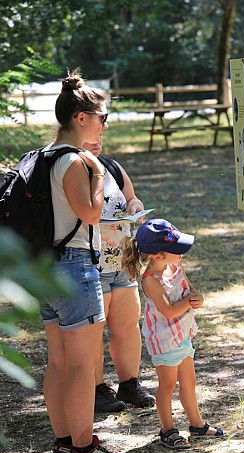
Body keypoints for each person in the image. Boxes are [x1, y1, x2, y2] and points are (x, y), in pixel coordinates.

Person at [40, 68, 126, 453]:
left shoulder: (41, 157)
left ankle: (63, 444)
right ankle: (84, 448)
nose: (104, 124)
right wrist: (96, 173)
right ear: (81, 119)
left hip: (44, 269)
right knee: (81, 365)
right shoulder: (75, 162)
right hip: (75, 267)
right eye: (102, 117)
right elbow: (91, 213)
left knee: (57, 362)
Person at [121, 218, 224, 449]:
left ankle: (197, 425)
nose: (182, 254)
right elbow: (167, 311)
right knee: (167, 385)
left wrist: (197, 298)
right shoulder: (151, 281)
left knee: (189, 382)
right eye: (177, 250)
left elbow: (191, 290)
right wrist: (188, 302)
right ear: (158, 256)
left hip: (182, 334)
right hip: (165, 340)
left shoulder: (175, 266)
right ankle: (167, 430)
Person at [82, 140, 155, 412]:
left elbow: (131, 197)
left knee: (127, 325)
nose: (97, 140)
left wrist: (135, 206)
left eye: (100, 133)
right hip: (90, 264)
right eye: (92, 132)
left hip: (122, 261)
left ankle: (130, 384)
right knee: (93, 331)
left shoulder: (112, 166)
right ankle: (97, 389)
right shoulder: (71, 168)